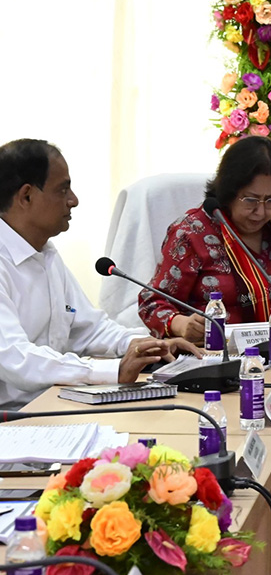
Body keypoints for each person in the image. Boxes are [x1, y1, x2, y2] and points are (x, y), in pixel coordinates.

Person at [0, 139, 199, 410]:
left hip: (57, 402)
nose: (74, 200)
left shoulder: (46, 255)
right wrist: (109, 372)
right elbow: (15, 359)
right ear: (26, 196)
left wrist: (148, 346)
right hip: (13, 420)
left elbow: (90, 328)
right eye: (63, 189)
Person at [138, 137, 271, 342]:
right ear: (229, 192)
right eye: (251, 200)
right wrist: (181, 325)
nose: (261, 212)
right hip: (218, 359)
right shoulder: (192, 232)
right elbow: (152, 303)